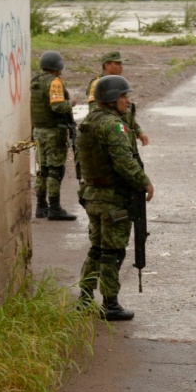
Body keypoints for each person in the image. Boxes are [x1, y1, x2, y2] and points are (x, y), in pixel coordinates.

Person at [76, 75, 155, 321]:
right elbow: (124, 161)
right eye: (123, 96)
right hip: (113, 199)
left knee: (97, 250)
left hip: (92, 196)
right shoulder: (114, 125)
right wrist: (144, 182)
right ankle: (110, 304)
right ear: (111, 100)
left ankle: (85, 297)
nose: (127, 100)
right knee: (113, 251)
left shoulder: (90, 121)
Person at [30, 50, 77, 220]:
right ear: (58, 68)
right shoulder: (54, 82)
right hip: (53, 132)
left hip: (38, 131)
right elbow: (57, 107)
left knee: (42, 170)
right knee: (55, 170)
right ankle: (55, 208)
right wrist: (71, 102)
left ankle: (41, 207)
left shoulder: (35, 81)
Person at [86, 51, 149, 146]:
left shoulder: (117, 82)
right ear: (107, 65)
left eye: (121, 64)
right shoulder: (98, 84)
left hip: (121, 134)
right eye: (117, 63)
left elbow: (126, 111)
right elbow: (95, 113)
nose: (121, 67)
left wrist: (138, 131)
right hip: (111, 136)